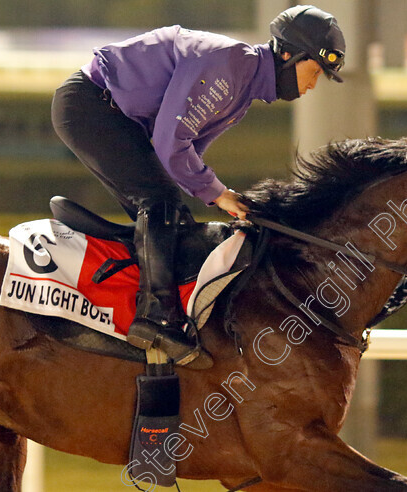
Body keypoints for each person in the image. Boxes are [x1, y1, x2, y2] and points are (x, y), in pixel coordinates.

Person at [51, 5, 346, 368]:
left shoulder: (242, 87)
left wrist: (218, 197)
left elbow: (182, 157)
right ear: (288, 54)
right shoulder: (231, 68)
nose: (314, 83)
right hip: (91, 106)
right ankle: (156, 319)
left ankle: (139, 309)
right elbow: (171, 143)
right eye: (314, 70)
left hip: (112, 114)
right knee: (159, 202)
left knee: (172, 219)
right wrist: (219, 194)